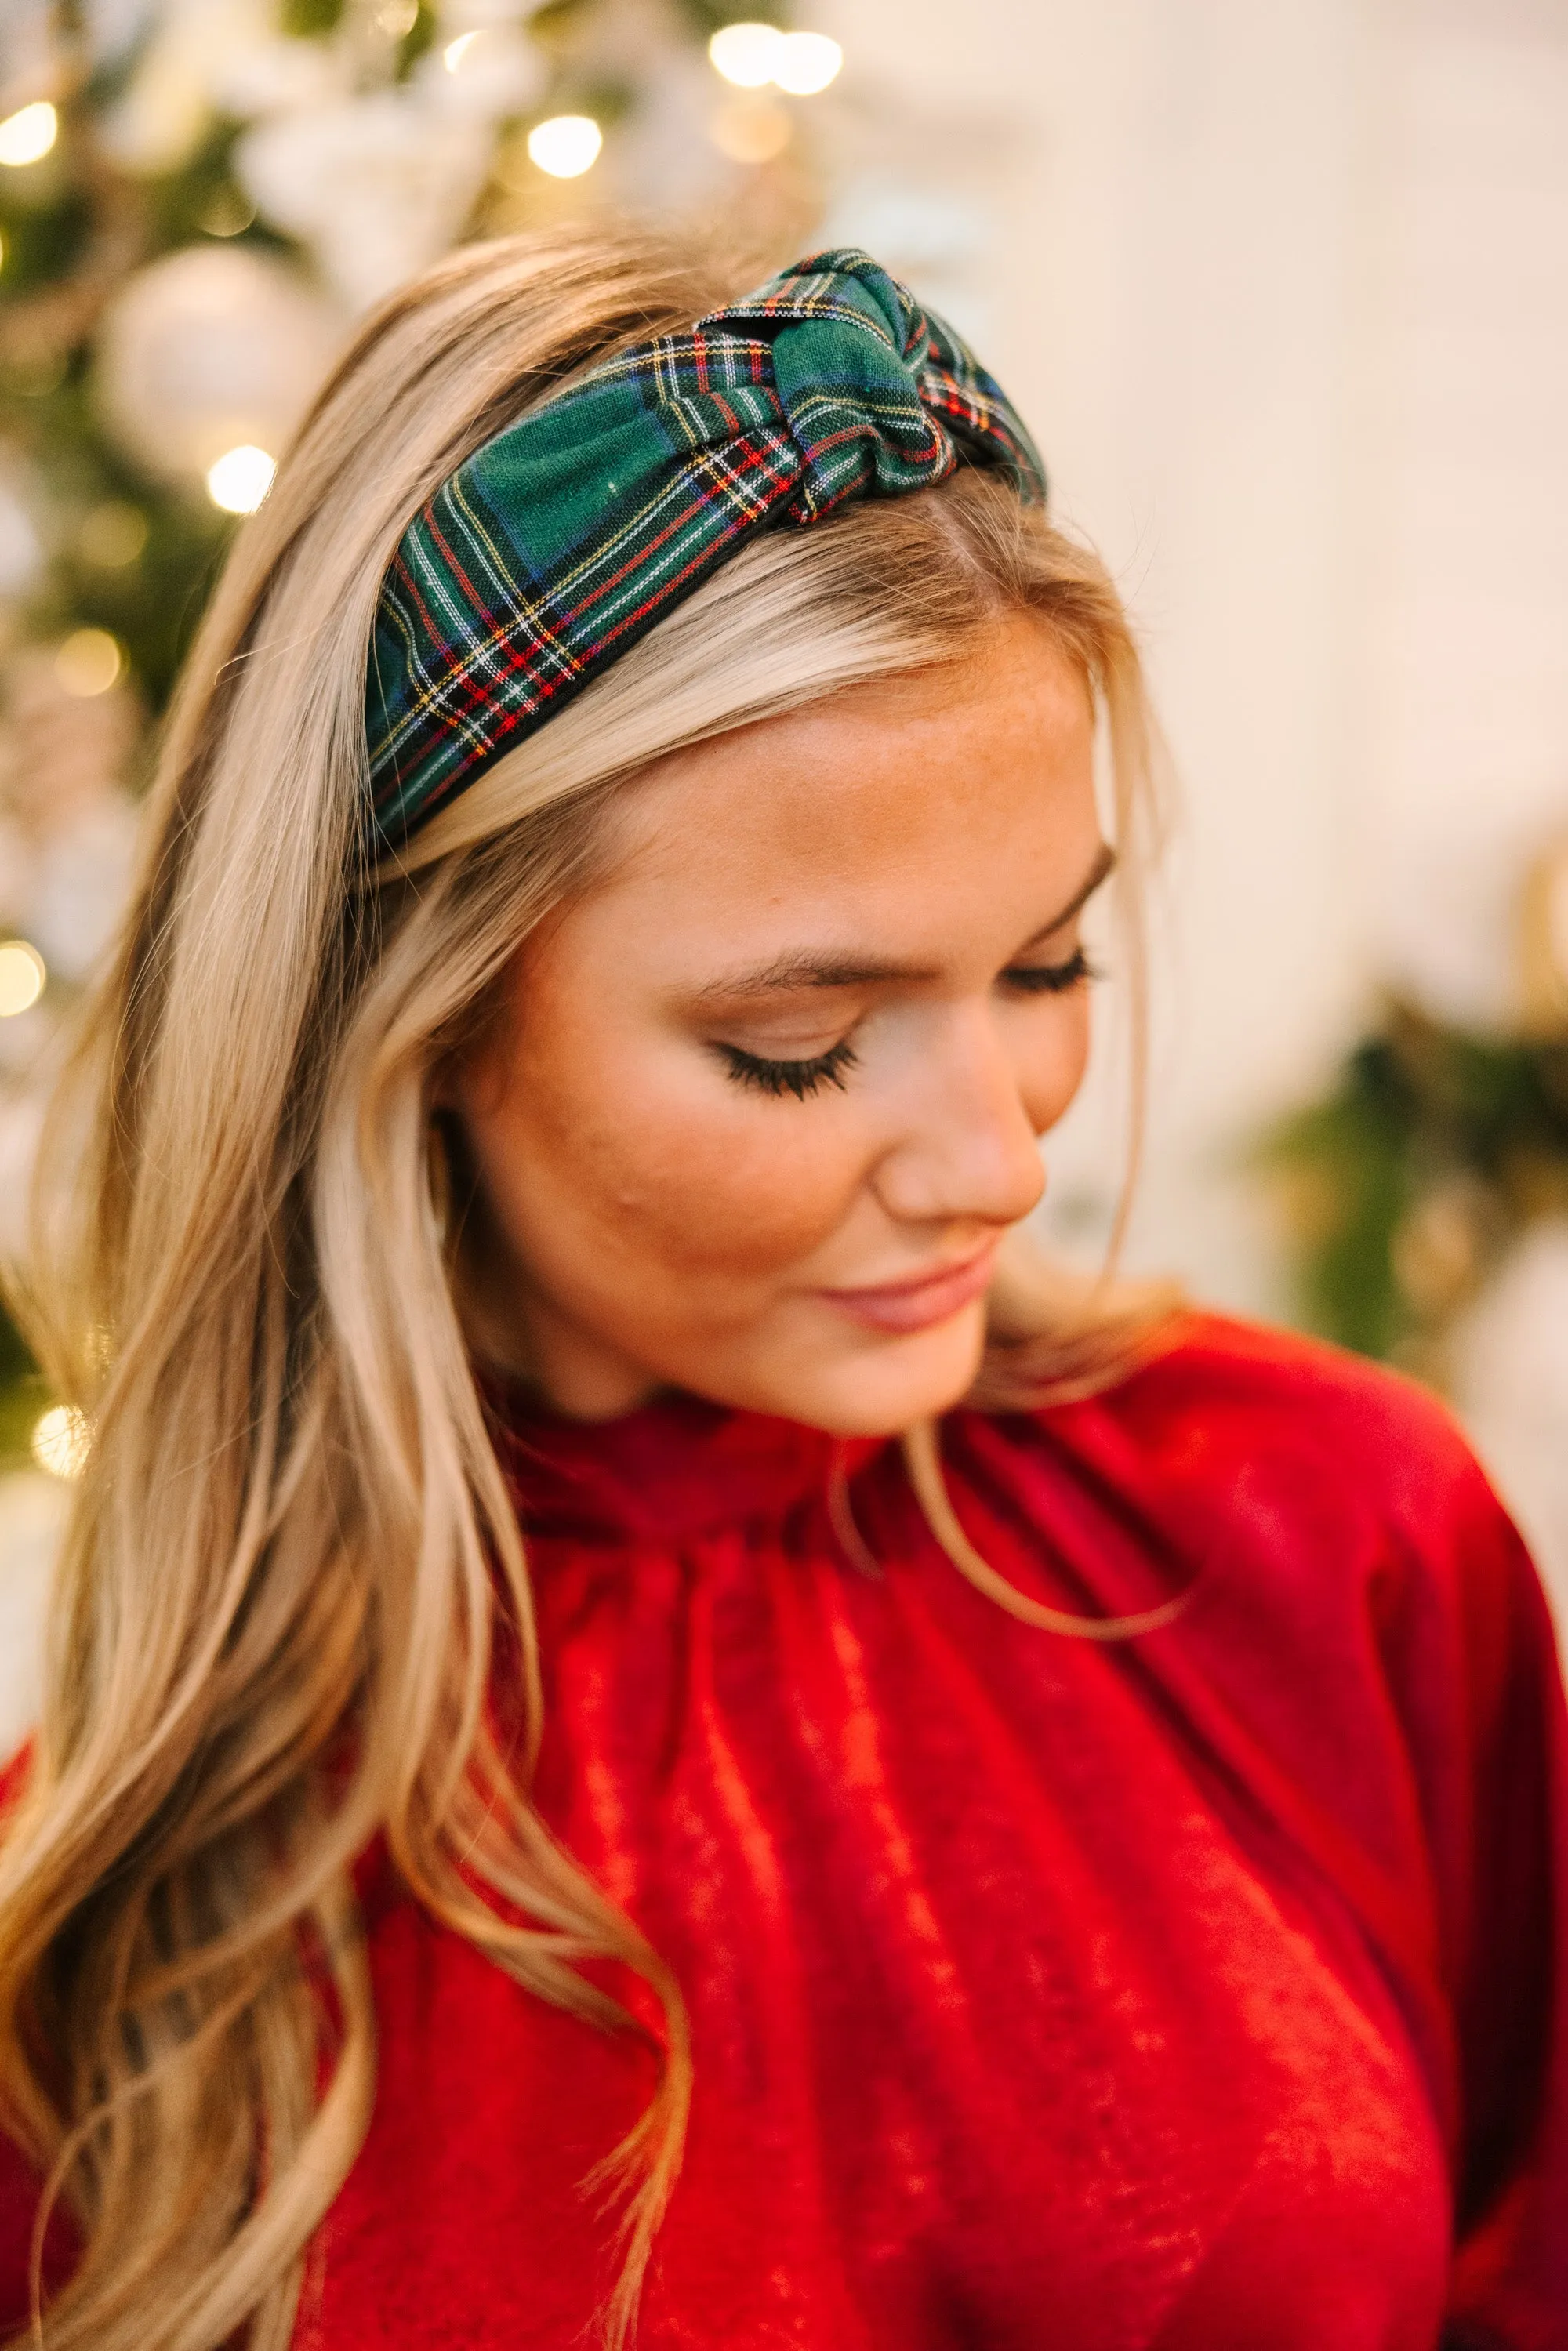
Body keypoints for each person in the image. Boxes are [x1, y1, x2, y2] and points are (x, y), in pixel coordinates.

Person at [0, 228, 1563, 2351]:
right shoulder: (134, 1919)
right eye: (802, 1041)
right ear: (423, 1017)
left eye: (1047, 966)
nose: (1002, 1159)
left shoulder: (1331, 1534)